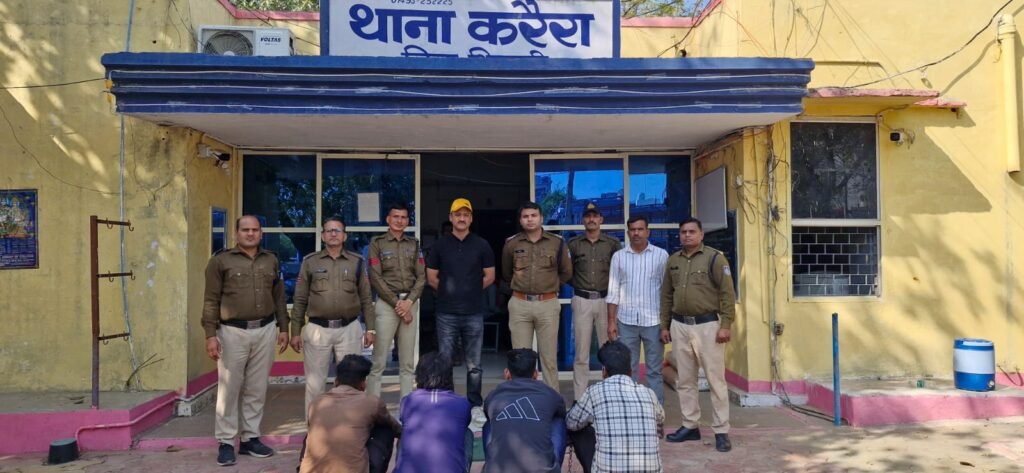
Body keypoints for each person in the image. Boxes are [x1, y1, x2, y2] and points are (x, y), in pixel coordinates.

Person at [202, 215, 289, 466]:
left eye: (255, 230)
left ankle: (250, 438)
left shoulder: (271, 260)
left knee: (257, 388)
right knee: (229, 388)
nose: (250, 234)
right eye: (245, 230)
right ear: (236, 233)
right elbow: (211, 300)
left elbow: (279, 296)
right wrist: (210, 335)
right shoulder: (220, 261)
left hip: (265, 329)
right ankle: (226, 441)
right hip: (232, 332)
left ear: (261, 233)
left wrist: (283, 327)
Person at [661, 217, 737, 452]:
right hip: (680, 325)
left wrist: (726, 324)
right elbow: (666, 295)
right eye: (683, 232)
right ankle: (690, 425)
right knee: (685, 380)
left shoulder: (715, 258)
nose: (687, 235)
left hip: (708, 327)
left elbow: (727, 294)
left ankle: (721, 431)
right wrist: (665, 325)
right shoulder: (673, 260)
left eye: (692, 231)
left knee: (715, 380)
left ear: (701, 234)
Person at [290, 217, 375, 417]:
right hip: (318, 329)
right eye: (329, 231)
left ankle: (350, 426)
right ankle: (314, 427)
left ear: (344, 236)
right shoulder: (310, 262)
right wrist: (295, 331)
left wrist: (370, 328)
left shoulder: (357, 262)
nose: (333, 234)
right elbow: (300, 298)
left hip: (349, 328)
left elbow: (366, 297)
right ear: (322, 236)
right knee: (315, 384)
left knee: (351, 383)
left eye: (337, 230)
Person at [426, 198, 496, 425]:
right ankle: (447, 402)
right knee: (445, 361)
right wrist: (450, 293)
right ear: (451, 217)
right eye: (458, 214)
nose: (462, 218)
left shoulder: (482, 245)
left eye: (466, 215)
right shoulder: (440, 245)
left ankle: (474, 404)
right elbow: (431, 277)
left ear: (471, 218)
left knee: (474, 365)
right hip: (446, 313)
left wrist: (470, 291)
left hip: (473, 312)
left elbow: (490, 276)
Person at [501, 201, 572, 390]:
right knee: (519, 359)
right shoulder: (512, 243)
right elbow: (507, 274)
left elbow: (566, 272)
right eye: (525, 216)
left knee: (549, 358)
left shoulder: (557, 242)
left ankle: (551, 400)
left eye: (533, 215)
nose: (530, 219)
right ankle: (522, 398)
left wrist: (549, 285)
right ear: (520, 220)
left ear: (541, 218)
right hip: (520, 303)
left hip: (547, 304)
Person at [565, 341, 665, 473]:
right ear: (631, 371)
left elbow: (571, 423)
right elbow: (661, 420)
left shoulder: (594, 392)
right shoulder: (649, 394)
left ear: (604, 371)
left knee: (580, 427)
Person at [299, 355, 402, 473]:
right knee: (385, 429)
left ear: (336, 381)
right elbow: (396, 428)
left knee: (312, 432)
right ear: (363, 384)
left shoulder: (316, 403)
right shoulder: (372, 402)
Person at [606, 215, 669, 405]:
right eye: (633, 230)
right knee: (627, 370)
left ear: (648, 231)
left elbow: (666, 292)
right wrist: (611, 322)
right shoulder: (619, 257)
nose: (636, 233)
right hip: (626, 322)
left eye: (640, 229)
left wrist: (665, 324)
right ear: (628, 233)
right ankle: (631, 410)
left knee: (654, 371)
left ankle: (656, 412)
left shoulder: (661, 256)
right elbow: (613, 291)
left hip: (653, 322)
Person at [367, 204, 426, 399]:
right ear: (388, 219)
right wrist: (397, 304)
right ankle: (373, 407)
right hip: (387, 304)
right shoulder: (377, 243)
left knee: (407, 363)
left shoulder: (414, 244)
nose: (399, 221)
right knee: (378, 361)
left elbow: (421, 276)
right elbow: (375, 277)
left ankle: (406, 407)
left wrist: (409, 302)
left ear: (407, 221)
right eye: (395, 217)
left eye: (403, 217)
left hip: (410, 303)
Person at [566, 202, 620, 401]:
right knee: (581, 354)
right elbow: (567, 272)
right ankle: (580, 399)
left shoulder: (612, 243)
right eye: (588, 216)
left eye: (595, 216)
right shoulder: (574, 244)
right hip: (582, 299)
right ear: (583, 220)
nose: (591, 219)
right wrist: (579, 285)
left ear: (601, 219)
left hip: (606, 300)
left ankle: (610, 397)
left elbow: (618, 272)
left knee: (609, 352)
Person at [483, 349, 566, 473]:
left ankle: (491, 464)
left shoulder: (493, 396)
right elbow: (562, 412)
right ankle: (550, 466)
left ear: (507, 373)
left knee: (489, 424)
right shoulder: (550, 394)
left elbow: (487, 413)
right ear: (536, 374)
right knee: (558, 421)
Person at [393, 352, 473, 473]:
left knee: (404, 433)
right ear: (449, 377)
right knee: (467, 433)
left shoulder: (408, 401)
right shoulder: (462, 403)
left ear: (419, 376)